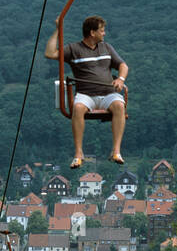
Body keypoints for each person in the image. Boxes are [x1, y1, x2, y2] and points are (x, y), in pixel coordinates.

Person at [44, 14, 127, 168]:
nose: (104, 33)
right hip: (86, 94)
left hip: (108, 93)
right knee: (78, 107)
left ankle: (116, 151)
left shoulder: (107, 48)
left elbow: (123, 65)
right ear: (92, 33)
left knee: (119, 106)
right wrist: (58, 30)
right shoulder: (74, 49)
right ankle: (78, 153)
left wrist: (120, 79)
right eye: (102, 30)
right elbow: (50, 53)